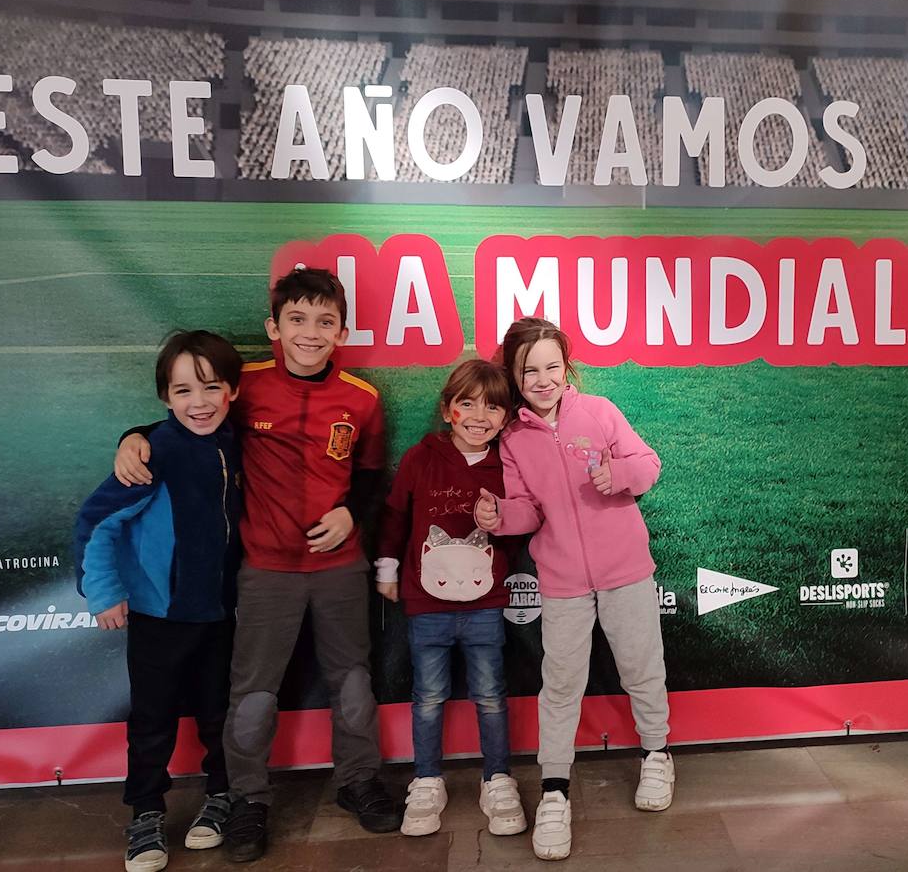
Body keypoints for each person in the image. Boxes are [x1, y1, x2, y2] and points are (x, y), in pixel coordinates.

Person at [114, 268, 399, 862]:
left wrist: (352, 514)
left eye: (325, 322)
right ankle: (248, 799)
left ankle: (358, 782)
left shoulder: (363, 399)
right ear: (274, 326)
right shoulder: (249, 387)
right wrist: (135, 435)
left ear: (341, 331)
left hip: (340, 566)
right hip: (265, 570)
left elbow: (371, 477)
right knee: (253, 694)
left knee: (352, 681)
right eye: (297, 319)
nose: (310, 332)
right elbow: (191, 424)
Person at [474, 317, 673, 862]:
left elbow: (648, 462)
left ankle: (657, 754)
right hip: (561, 580)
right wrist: (499, 517)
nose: (542, 379)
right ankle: (555, 790)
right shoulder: (513, 438)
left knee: (640, 665)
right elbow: (526, 509)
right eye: (529, 370)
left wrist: (622, 476)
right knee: (560, 684)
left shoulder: (601, 412)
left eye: (551, 367)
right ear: (515, 378)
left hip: (626, 570)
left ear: (567, 368)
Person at [75, 330, 244, 872]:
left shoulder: (236, 442)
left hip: (220, 613)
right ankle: (146, 812)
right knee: (152, 720)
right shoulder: (153, 453)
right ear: (165, 398)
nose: (199, 403)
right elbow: (95, 523)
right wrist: (103, 593)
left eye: (212, 388)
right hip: (159, 616)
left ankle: (220, 796)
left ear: (233, 392)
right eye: (183, 392)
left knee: (220, 713)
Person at [374, 359, 526, 839]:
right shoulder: (421, 459)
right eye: (467, 404)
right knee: (429, 698)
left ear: (506, 417)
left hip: (485, 606)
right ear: (447, 410)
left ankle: (497, 777)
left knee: (489, 696)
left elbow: (528, 519)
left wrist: (500, 518)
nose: (480, 415)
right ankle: (426, 779)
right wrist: (388, 568)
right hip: (427, 606)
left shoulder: (509, 466)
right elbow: (396, 516)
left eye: (493, 407)